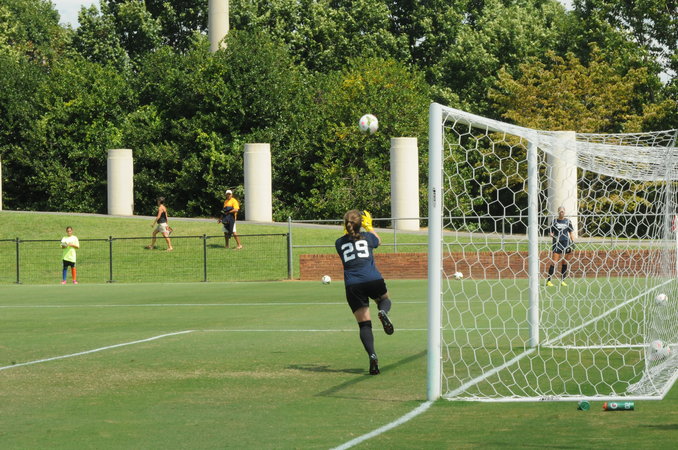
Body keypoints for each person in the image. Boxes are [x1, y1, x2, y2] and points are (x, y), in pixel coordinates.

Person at [335, 209, 394, 375]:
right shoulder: (368, 237)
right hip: (372, 279)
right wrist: (369, 227)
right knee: (384, 299)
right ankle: (383, 311)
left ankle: (372, 356)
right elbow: (378, 241)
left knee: (364, 324)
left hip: (353, 285)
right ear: (360, 224)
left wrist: (348, 228)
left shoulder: (338, 243)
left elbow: (348, 240)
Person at [546, 206, 575, 287]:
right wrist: (553, 236)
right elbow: (550, 232)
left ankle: (562, 281)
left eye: (563, 211)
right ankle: (549, 281)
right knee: (554, 262)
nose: (561, 212)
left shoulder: (568, 221)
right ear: (558, 212)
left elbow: (571, 233)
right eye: (560, 211)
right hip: (557, 244)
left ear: (564, 212)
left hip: (566, 243)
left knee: (564, 262)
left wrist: (573, 242)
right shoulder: (554, 221)